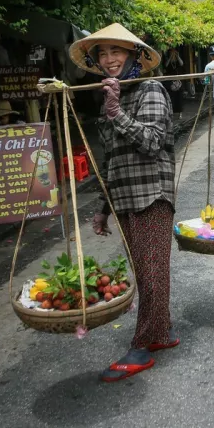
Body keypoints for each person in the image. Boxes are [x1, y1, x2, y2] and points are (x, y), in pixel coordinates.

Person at [68, 23, 179, 382]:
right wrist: (103, 207)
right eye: (103, 52)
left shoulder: (151, 89)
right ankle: (160, 333)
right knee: (146, 273)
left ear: (133, 55)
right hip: (125, 197)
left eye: (117, 51)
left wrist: (117, 112)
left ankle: (142, 346)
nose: (109, 58)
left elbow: (152, 141)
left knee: (151, 273)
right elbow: (112, 159)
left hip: (151, 195)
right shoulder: (111, 93)